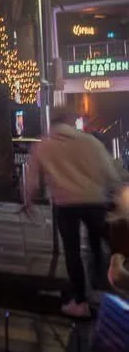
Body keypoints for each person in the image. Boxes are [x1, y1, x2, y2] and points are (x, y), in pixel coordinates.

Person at [24, 108, 124, 318]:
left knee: (72, 252)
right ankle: (103, 287)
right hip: (94, 200)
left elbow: (32, 178)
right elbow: (109, 170)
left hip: (65, 204)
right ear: (69, 121)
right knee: (99, 245)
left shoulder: (43, 145)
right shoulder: (90, 142)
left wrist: (28, 199)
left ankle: (80, 301)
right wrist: (115, 192)